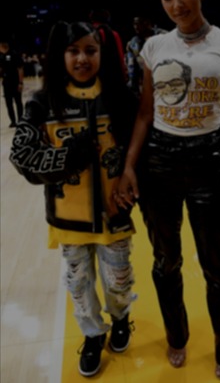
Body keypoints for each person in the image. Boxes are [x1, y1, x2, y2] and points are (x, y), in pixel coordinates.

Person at [114, 0, 220, 379]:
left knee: (217, 266)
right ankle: (177, 336)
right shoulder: (152, 46)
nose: (177, 3)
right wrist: (129, 166)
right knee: (166, 262)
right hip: (160, 163)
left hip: (210, 162)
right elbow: (146, 113)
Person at [9, 21, 138, 377]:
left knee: (119, 281)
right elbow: (21, 155)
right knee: (79, 287)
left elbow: (140, 150)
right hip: (69, 220)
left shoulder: (118, 97)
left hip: (115, 216)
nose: (82, 58)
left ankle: (121, 317)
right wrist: (68, 156)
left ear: (101, 53)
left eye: (90, 50)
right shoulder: (42, 102)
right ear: (59, 55)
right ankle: (93, 335)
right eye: (73, 51)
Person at [126, 15, 166, 99]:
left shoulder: (163, 36)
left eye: (139, 23)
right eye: (134, 24)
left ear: (147, 23)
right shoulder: (133, 43)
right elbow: (132, 67)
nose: (136, 27)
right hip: (146, 81)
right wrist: (134, 86)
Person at [0, 39, 24, 127]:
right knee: (8, 103)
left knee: (18, 102)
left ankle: (21, 119)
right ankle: (13, 121)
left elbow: (20, 69)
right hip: (6, 83)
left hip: (15, 82)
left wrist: (20, 82)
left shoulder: (14, 54)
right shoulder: (1, 56)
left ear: (2, 46)